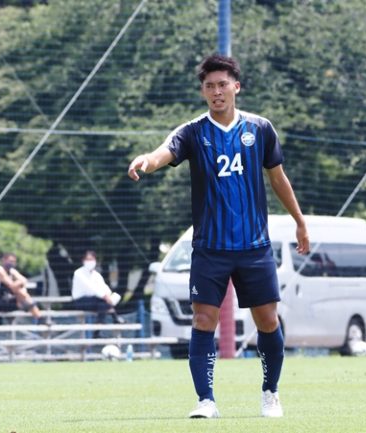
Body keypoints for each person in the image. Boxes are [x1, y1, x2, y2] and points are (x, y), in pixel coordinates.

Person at [128, 54, 310, 419]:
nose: (216, 92)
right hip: (209, 248)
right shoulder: (192, 132)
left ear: (236, 87)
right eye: (209, 86)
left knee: (268, 321)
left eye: (222, 84)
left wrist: (299, 221)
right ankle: (206, 400)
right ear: (202, 91)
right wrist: (146, 161)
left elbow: (278, 178)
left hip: (254, 247)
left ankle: (271, 393)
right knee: (202, 321)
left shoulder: (260, 128)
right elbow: (165, 152)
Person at [71, 250, 125, 334]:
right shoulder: (78, 273)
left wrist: (109, 295)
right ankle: (114, 318)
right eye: (87, 259)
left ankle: (98, 330)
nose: (90, 262)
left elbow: (104, 287)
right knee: (104, 302)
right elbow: (91, 287)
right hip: (80, 301)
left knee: (104, 304)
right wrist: (105, 296)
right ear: (83, 261)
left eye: (91, 259)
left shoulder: (96, 275)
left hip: (94, 300)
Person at [0, 252, 41, 318]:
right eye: (10, 261)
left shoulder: (11, 271)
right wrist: (20, 284)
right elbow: (12, 286)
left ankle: (38, 316)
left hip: (7, 299)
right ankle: (39, 317)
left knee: (22, 293)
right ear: (4, 260)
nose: (12, 263)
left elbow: (24, 280)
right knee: (21, 294)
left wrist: (20, 285)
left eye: (14, 262)